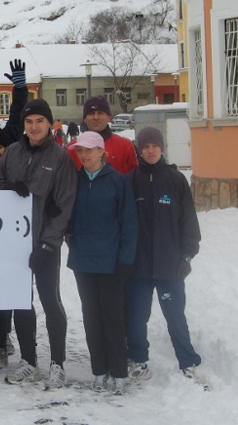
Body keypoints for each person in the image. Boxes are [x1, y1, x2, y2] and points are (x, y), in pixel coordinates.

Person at [0, 98, 77, 390]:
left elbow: (65, 205)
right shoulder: (11, 152)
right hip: (15, 243)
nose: (34, 127)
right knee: (21, 303)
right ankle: (29, 362)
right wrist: (8, 187)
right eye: (29, 122)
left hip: (44, 245)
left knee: (51, 302)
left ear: (50, 123)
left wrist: (49, 245)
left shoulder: (60, 158)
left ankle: (58, 364)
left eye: (40, 121)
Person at [125, 127, 207, 389]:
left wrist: (187, 255)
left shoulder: (175, 180)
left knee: (175, 315)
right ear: (139, 148)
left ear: (162, 148)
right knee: (137, 316)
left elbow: (189, 221)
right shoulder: (130, 180)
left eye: (155, 145)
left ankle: (188, 361)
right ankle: (138, 360)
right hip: (138, 265)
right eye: (145, 146)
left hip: (169, 264)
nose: (150, 150)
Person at [65, 131, 138, 395]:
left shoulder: (118, 181)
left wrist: (125, 259)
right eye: (80, 151)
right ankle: (99, 370)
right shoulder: (76, 181)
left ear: (101, 152)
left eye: (88, 150)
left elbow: (129, 223)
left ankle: (119, 372)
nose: (83, 156)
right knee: (91, 318)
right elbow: (68, 216)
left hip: (111, 263)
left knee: (113, 318)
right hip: (84, 261)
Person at [67, 96, 137, 174]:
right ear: (84, 119)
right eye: (91, 113)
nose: (96, 117)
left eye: (100, 113)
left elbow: (136, 179)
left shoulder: (125, 146)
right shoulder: (71, 149)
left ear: (109, 117)